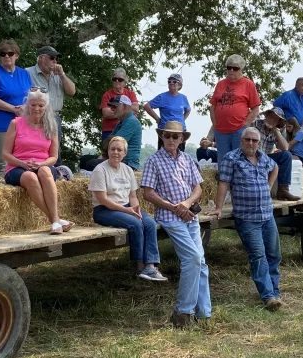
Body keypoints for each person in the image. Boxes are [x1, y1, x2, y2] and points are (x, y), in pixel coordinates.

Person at [141, 122, 210, 328]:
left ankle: (204, 313)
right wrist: (173, 207)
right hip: (169, 217)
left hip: (189, 215)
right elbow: (148, 193)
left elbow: (197, 188)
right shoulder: (153, 161)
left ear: (182, 139)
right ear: (161, 137)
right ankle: (182, 313)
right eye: (167, 135)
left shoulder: (187, 159)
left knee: (201, 263)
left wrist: (186, 204)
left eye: (175, 136)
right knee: (193, 258)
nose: (171, 139)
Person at [210, 127, 283, 311]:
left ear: (259, 143)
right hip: (247, 217)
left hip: (267, 215)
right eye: (248, 140)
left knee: (274, 254)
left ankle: (275, 291)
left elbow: (275, 167)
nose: (251, 143)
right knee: (258, 256)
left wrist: (269, 184)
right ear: (241, 140)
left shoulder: (263, 157)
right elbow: (224, 183)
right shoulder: (231, 158)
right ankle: (268, 297)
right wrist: (218, 208)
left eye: (254, 140)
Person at [90, 136, 165, 281]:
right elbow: (103, 199)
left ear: (125, 153)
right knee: (136, 224)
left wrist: (135, 208)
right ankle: (140, 266)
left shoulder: (128, 170)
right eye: (113, 149)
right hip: (104, 210)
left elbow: (132, 195)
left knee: (149, 223)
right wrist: (128, 211)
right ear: (108, 151)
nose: (116, 152)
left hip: (126, 208)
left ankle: (151, 265)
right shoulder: (100, 170)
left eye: (119, 150)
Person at [3, 90, 72, 234]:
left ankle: (55, 221)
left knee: (45, 171)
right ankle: (54, 219)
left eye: (40, 105)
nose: (36, 108)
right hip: (17, 166)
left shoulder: (51, 126)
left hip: (43, 165)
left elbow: (53, 157)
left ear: (46, 107)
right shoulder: (16, 123)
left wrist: (42, 164)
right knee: (30, 177)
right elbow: (5, 154)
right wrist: (22, 164)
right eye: (33, 105)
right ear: (27, 105)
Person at [0, 39, 31, 179]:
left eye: (10, 53)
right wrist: (13, 109)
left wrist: (25, 107)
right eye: (2, 54)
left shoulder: (24, 74)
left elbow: (30, 96)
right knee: (1, 164)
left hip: (21, 124)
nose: (6, 56)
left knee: (21, 163)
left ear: (17, 55)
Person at [26, 45, 76, 163]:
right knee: (34, 146)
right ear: (41, 58)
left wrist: (62, 75)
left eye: (56, 59)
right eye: (52, 58)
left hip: (54, 116)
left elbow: (72, 91)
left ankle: (56, 173)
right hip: (35, 116)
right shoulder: (27, 72)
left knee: (54, 148)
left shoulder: (58, 75)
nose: (55, 61)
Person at [208, 54, 261, 161]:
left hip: (239, 131)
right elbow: (213, 106)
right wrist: (215, 124)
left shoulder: (248, 84)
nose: (231, 70)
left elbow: (255, 108)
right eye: (229, 68)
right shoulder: (220, 84)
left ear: (241, 69)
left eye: (235, 68)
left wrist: (244, 125)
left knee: (239, 162)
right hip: (221, 131)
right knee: (223, 162)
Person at [252, 105, 299, 201]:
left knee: (286, 155)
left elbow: (285, 148)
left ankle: (283, 190)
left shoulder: (277, 131)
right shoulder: (255, 123)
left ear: (279, 122)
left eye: (276, 119)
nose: (272, 120)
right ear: (266, 116)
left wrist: (276, 131)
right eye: (271, 117)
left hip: (266, 157)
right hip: (253, 155)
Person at [145, 73, 191, 149]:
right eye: (169, 81)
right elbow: (147, 106)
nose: (171, 83)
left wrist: (182, 120)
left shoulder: (183, 98)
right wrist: (157, 119)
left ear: (179, 85)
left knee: (180, 155)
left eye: (174, 81)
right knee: (163, 155)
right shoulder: (162, 97)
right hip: (165, 129)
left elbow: (188, 110)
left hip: (180, 131)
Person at [100, 68, 139, 145]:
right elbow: (106, 113)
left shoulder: (130, 94)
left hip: (127, 128)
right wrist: (125, 112)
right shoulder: (107, 95)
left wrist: (116, 111)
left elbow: (136, 108)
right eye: (114, 79)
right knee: (106, 151)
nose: (117, 81)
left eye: (120, 79)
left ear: (125, 82)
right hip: (109, 130)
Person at [107, 95, 142, 169]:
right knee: (85, 159)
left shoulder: (131, 122)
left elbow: (114, 143)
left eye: (115, 106)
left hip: (128, 163)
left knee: (91, 163)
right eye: (111, 107)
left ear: (125, 107)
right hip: (119, 160)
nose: (112, 109)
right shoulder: (122, 122)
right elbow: (108, 142)